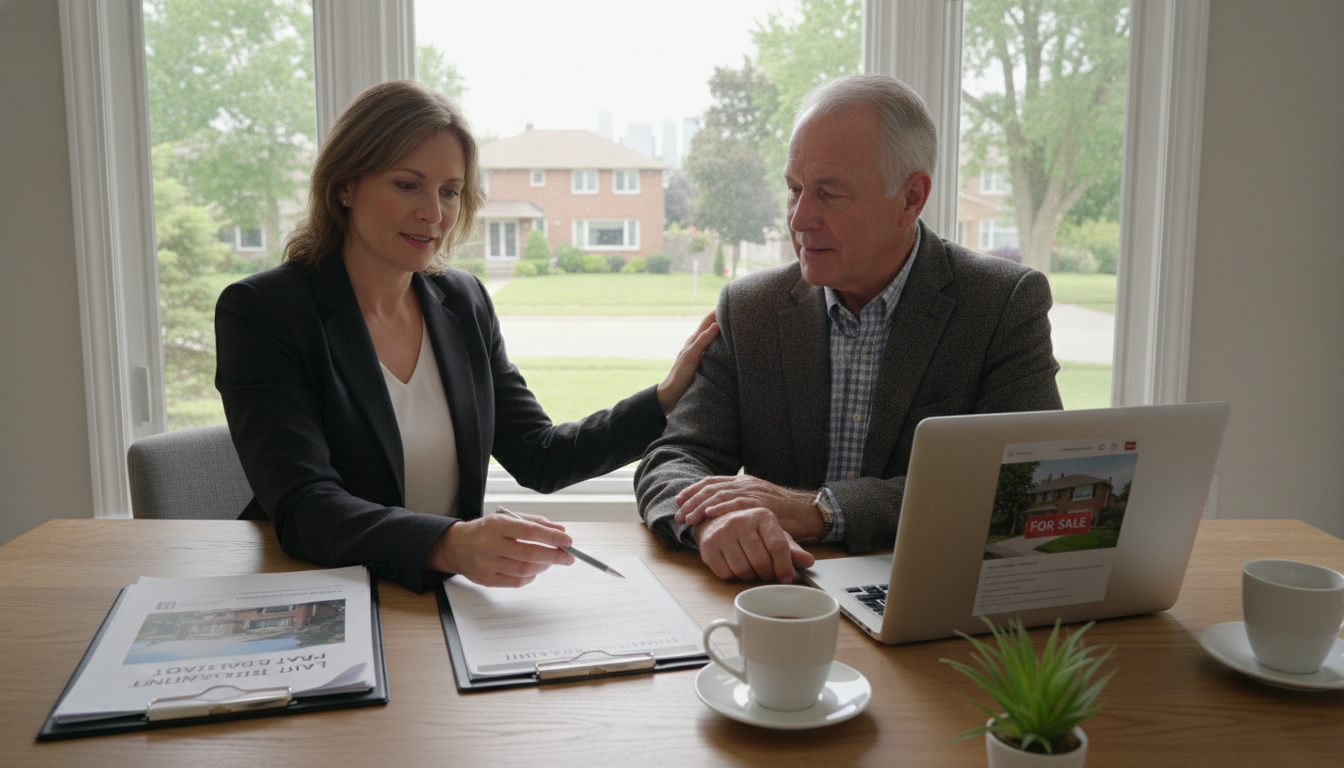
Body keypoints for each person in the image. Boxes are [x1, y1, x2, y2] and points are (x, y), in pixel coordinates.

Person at [215, 80, 717, 594]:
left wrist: (664, 399)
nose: (434, 213)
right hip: (316, 593)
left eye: (449, 191)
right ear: (344, 185)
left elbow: (539, 454)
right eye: (407, 185)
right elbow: (306, 506)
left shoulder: (463, 301)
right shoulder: (263, 311)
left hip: (435, 601)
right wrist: (450, 544)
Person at [635, 74, 1061, 583]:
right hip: (783, 599)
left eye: (829, 193)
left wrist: (823, 510)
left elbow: (1027, 484)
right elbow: (674, 458)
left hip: (933, 597)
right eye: (794, 190)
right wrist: (711, 523)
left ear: (911, 199)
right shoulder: (751, 308)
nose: (799, 219)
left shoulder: (1001, 304)